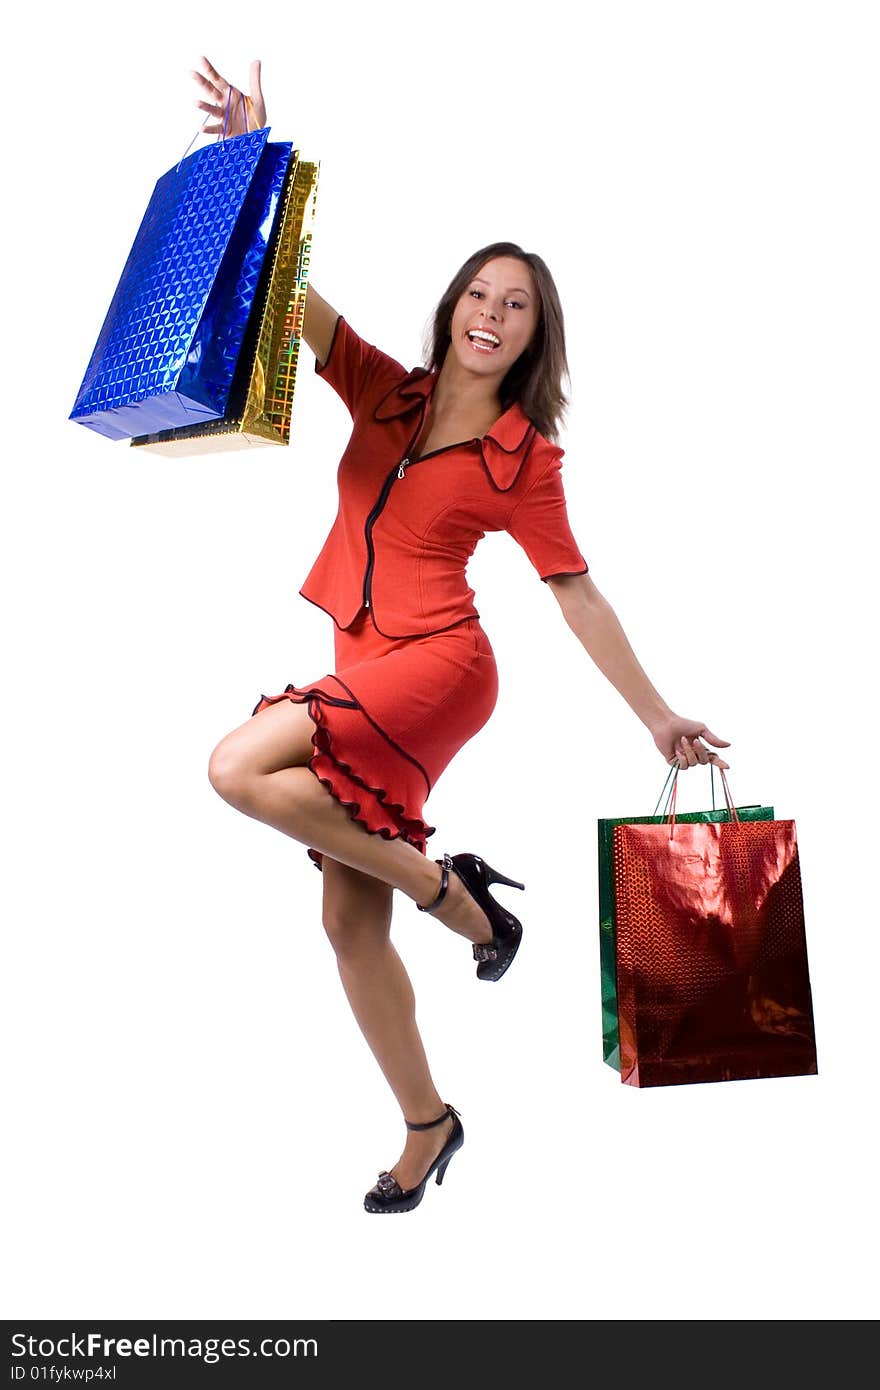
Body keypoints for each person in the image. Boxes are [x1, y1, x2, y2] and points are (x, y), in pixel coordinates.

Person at [193, 56, 732, 1214]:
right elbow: (288, 292)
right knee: (345, 923)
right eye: (478, 296)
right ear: (450, 308)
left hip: (441, 669)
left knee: (236, 766)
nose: (490, 317)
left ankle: (457, 901)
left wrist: (656, 713)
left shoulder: (524, 460)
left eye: (516, 306)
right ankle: (429, 1125)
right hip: (357, 656)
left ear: (536, 336)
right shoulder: (384, 389)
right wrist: (253, 160)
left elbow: (575, 591)